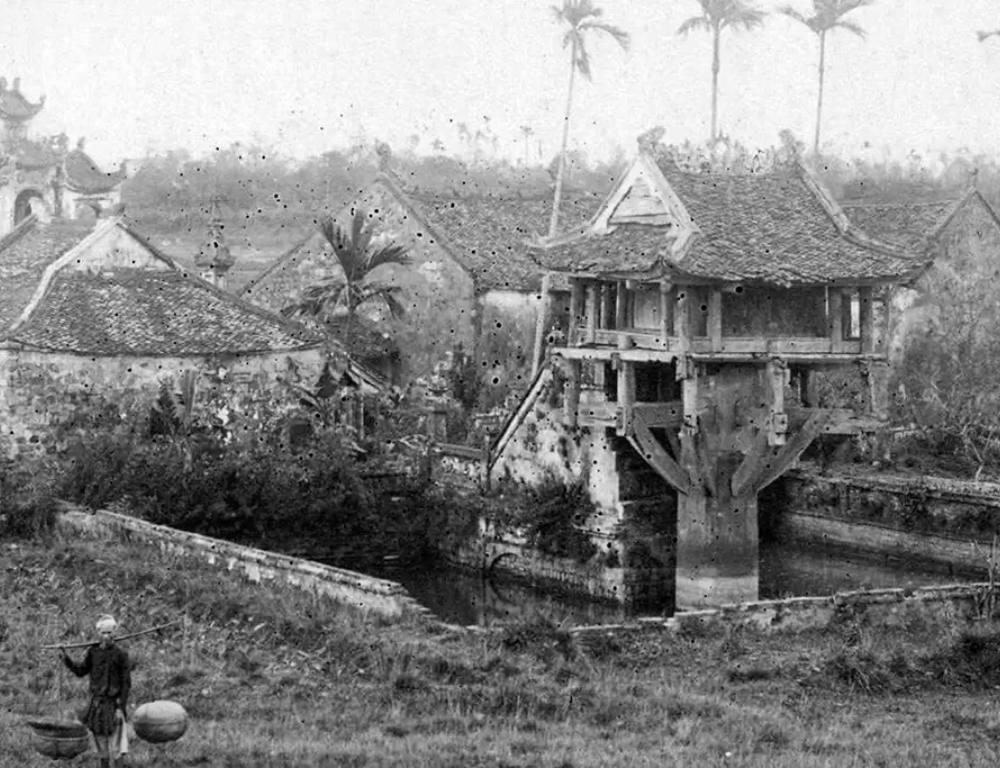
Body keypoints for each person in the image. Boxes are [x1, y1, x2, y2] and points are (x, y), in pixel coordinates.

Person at [61, 615, 131, 768]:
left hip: (114, 705)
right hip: (97, 706)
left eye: (109, 632)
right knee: (101, 749)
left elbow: (126, 684)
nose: (106, 636)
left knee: (117, 747)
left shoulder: (121, 655)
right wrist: (67, 660)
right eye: (103, 633)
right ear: (98, 633)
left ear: (115, 633)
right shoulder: (93, 653)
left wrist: (121, 707)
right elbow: (81, 671)